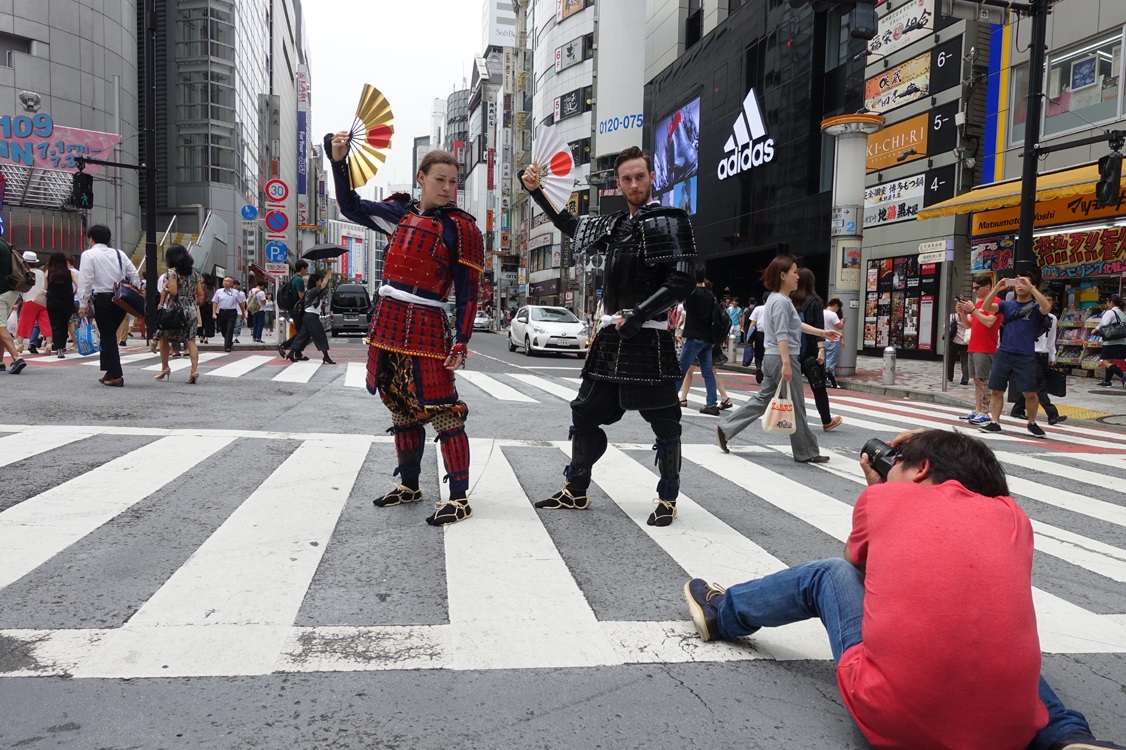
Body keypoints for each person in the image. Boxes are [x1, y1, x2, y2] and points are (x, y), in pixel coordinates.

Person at [687, 427, 1125, 750]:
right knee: (990, 641)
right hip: (1005, 733)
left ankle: (723, 612)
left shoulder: (882, 498)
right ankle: (1069, 738)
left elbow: (855, 565)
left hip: (897, 723)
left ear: (922, 469)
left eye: (897, 460)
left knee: (826, 575)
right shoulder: (1012, 516)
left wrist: (882, 487)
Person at [521, 145, 695, 526]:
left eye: (640, 176)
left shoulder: (671, 219)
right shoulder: (614, 226)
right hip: (611, 339)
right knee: (584, 412)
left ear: (652, 178)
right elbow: (570, 224)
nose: (634, 184)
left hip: (650, 339)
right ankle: (576, 488)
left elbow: (682, 280)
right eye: (627, 178)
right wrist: (536, 191)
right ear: (618, 183)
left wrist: (641, 313)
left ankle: (668, 497)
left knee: (666, 422)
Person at [328, 133, 483, 526]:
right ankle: (410, 485)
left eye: (453, 182)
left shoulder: (462, 230)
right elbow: (349, 206)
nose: (448, 188)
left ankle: (460, 497)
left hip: (429, 325)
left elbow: (468, 293)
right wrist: (339, 162)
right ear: (421, 177)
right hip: (388, 321)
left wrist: (462, 340)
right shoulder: (398, 213)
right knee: (399, 405)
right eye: (441, 180)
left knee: (444, 411)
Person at [716, 256, 839, 462]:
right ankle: (805, 452)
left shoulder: (776, 298)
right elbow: (783, 334)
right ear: (783, 275)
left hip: (772, 357)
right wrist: (787, 364)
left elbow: (795, 325)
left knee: (763, 398)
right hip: (783, 357)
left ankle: (726, 428)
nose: (797, 276)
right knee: (797, 405)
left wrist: (822, 332)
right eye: (794, 272)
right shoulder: (782, 301)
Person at [978, 274, 1052, 437]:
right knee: (997, 390)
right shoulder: (1007, 305)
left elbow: (1046, 308)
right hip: (1004, 353)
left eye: (1024, 282)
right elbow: (987, 306)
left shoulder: (1035, 307)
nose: (1020, 285)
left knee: (1030, 393)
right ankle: (995, 422)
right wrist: (998, 287)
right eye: (1018, 282)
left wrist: (1032, 288)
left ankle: (1032, 422)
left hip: (1025, 355)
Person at [76, 225, 140, 386]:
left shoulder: (88, 255)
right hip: (120, 299)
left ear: (91, 238)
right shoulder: (119, 253)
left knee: (108, 337)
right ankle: (109, 371)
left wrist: (82, 304)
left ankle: (117, 376)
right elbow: (134, 274)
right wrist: (136, 288)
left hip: (103, 299)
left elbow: (85, 280)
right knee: (108, 335)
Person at [792, 268, 842, 432]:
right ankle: (826, 420)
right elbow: (818, 327)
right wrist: (821, 350)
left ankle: (785, 418)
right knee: (819, 387)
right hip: (810, 350)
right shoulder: (815, 301)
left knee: (789, 386)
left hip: (792, 349)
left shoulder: (789, 299)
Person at [1011, 295, 1066, 425]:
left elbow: (1051, 338)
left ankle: (1017, 409)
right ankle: (1052, 414)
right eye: (1045, 299)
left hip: (1043, 355)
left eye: (1050, 300)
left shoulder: (1052, 318)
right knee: (1040, 385)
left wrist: (1052, 355)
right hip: (1030, 354)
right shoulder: (1031, 315)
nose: (1047, 302)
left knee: (1030, 385)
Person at [153, 244, 203, 384]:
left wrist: (166, 287)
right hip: (191, 309)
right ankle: (194, 370)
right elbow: (199, 293)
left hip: (176, 310)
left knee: (163, 337)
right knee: (191, 340)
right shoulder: (194, 273)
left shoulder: (172, 272)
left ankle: (165, 368)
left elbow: (173, 292)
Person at [958, 274, 1003, 424]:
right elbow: (968, 325)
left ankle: (984, 411)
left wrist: (973, 310)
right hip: (974, 346)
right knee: (977, 380)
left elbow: (990, 322)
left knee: (984, 381)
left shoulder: (996, 303)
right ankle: (978, 410)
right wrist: (962, 312)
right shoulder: (977, 305)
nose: (975, 291)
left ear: (987, 287)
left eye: (977, 288)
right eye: (973, 288)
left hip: (986, 347)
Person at [679, 268, 722, 415]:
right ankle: (711, 404)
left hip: (694, 337)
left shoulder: (691, 293)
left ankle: (671, 400)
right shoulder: (711, 295)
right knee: (708, 373)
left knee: (681, 370)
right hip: (707, 339)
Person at [283, 272, 335, 364]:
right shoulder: (313, 290)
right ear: (316, 282)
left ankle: (291, 353)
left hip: (308, 316)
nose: (321, 282)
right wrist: (328, 274)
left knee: (302, 335)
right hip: (312, 317)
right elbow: (324, 285)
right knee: (320, 335)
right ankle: (326, 357)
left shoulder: (309, 291)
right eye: (320, 280)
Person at [15, 251, 52, 356]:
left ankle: (20, 345)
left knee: (24, 322)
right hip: (42, 300)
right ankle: (49, 345)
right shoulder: (41, 273)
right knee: (45, 322)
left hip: (29, 301)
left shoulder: (23, 273)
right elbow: (46, 287)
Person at [0, 235, 27, 373]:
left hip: (1, 291)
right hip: (11, 291)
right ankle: (0, 362)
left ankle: (17, 358)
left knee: (0, 326)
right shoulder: (6, 245)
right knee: (1, 325)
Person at [44, 252, 77, 359]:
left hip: (53, 301)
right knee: (64, 323)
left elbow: (45, 288)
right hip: (67, 301)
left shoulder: (48, 273)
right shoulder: (69, 273)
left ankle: (58, 347)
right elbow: (79, 284)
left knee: (55, 324)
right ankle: (62, 346)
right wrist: (74, 293)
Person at [278, 260, 310, 358]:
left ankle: (298, 353)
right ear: (302, 269)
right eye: (306, 268)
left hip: (293, 309)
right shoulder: (299, 280)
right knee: (303, 333)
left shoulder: (293, 278)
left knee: (302, 332)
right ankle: (284, 345)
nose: (307, 270)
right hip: (297, 310)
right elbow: (301, 296)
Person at [1096, 295, 1126, 387]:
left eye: (1108, 302)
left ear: (1111, 303)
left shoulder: (1110, 312)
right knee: (1110, 361)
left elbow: (1104, 324)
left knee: (1105, 362)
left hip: (1111, 341)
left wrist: (1096, 329)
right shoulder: (1123, 313)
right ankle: (1107, 381)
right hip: (1122, 341)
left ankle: (1123, 377)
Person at [211, 276, 244, 352]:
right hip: (222, 312)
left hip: (232, 312)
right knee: (222, 328)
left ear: (231, 283)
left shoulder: (235, 292)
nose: (225, 282)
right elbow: (215, 303)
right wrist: (214, 313)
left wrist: (243, 312)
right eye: (224, 281)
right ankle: (228, 340)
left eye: (228, 281)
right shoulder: (219, 291)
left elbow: (240, 303)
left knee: (230, 328)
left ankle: (227, 346)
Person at [946, 299, 970, 385]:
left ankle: (949, 377)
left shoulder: (953, 316)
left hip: (955, 341)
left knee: (950, 359)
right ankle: (965, 378)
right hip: (966, 342)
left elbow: (946, 326)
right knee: (965, 360)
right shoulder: (969, 316)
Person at [822, 297, 844, 388]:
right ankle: (830, 381)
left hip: (823, 339)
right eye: (838, 307)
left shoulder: (822, 312)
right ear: (835, 305)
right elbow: (839, 326)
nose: (838, 309)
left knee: (825, 361)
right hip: (833, 340)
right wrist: (842, 321)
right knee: (831, 362)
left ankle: (824, 379)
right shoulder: (833, 315)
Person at [747, 296, 767, 382]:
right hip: (771, 335)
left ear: (763, 300)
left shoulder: (758, 308)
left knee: (758, 354)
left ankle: (758, 368)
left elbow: (753, 323)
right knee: (769, 354)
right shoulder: (774, 309)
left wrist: (748, 336)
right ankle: (767, 372)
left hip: (759, 334)